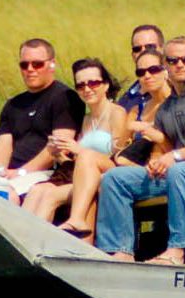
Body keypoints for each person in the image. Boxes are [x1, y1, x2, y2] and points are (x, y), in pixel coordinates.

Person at [96, 36, 185, 266]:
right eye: (173, 60)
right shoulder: (167, 106)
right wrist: (157, 161)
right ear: (166, 65)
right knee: (114, 178)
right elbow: (166, 147)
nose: (180, 64)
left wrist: (174, 157)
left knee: (179, 172)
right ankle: (120, 250)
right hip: (183, 172)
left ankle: (179, 249)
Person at [60, 48, 172, 240]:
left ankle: (93, 238)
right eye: (140, 72)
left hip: (158, 169)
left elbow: (179, 147)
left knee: (96, 171)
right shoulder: (137, 109)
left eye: (153, 69)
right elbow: (121, 148)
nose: (147, 75)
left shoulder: (174, 105)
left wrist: (153, 134)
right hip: (128, 164)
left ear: (165, 70)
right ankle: (81, 242)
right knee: (82, 177)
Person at [23, 58, 129, 224]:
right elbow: (77, 162)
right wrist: (58, 154)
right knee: (37, 190)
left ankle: (38, 243)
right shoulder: (86, 120)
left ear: (106, 85)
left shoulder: (117, 113)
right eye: (81, 85)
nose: (87, 89)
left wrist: (78, 149)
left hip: (107, 172)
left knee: (50, 196)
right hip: (80, 174)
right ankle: (20, 240)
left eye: (93, 83)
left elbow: (119, 155)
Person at [0, 38, 82, 196]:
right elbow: (4, 143)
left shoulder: (64, 97)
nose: (30, 69)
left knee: (7, 194)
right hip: (13, 174)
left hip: (44, 174)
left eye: (37, 64)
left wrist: (22, 172)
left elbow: (59, 146)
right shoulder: (13, 104)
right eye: (24, 65)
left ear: (51, 64)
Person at [116, 23, 164, 119]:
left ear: (162, 50)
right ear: (133, 55)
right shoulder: (128, 97)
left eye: (150, 47)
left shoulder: (175, 89)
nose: (143, 51)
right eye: (137, 49)